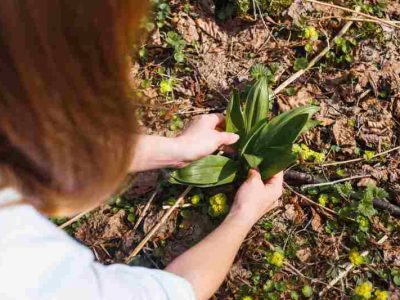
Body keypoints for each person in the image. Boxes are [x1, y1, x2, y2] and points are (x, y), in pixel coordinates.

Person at [0, 1, 283, 300]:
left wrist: (175, 150)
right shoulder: (23, 267)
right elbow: (177, 292)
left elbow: (28, 149)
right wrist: (243, 215)